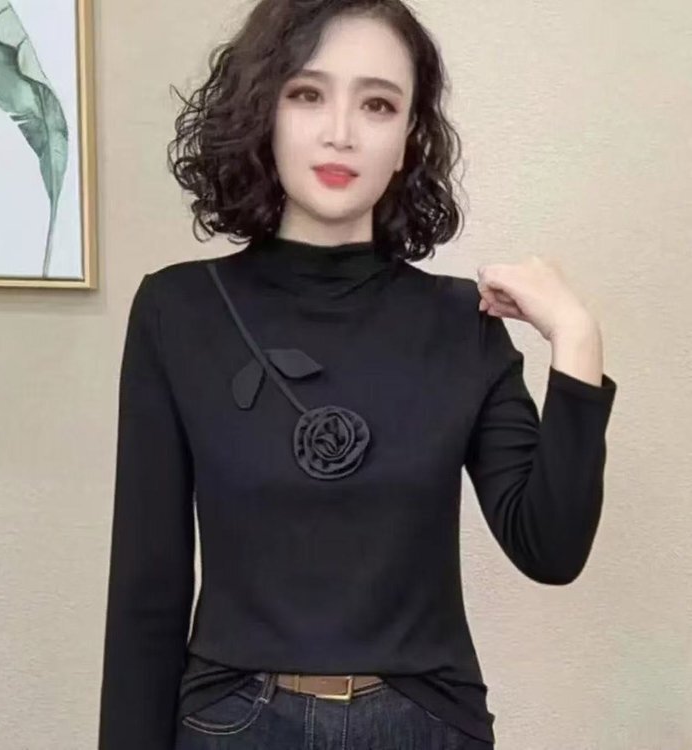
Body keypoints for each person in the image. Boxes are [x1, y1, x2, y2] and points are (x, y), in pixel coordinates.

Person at [98, 1, 618, 748]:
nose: (341, 130)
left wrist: (576, 337)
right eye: (308, 94)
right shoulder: (177, 311)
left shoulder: (462, 323)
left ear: (408, 139)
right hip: (232, 725)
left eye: (378, 104)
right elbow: (147, 590)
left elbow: (551, 547)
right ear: (264, 111)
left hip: (426, 724)